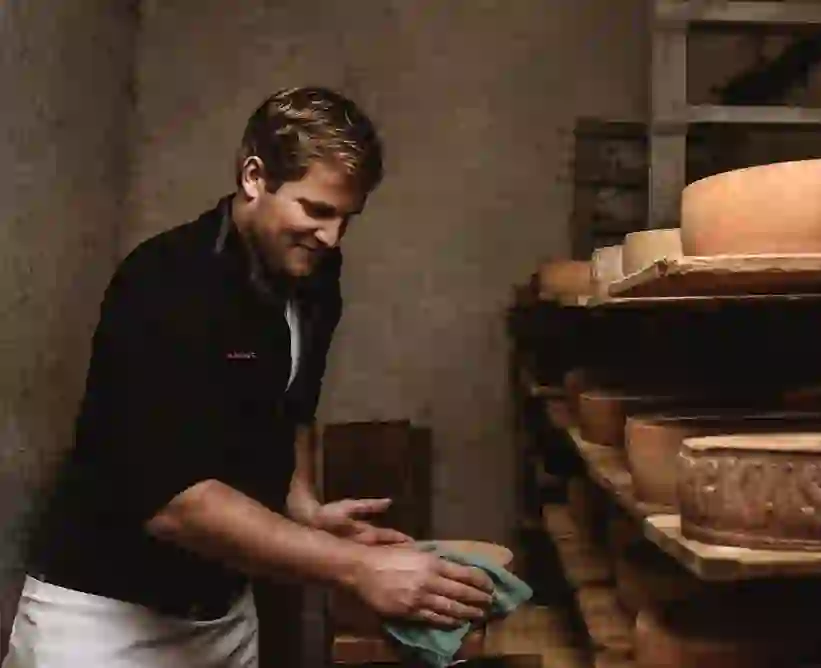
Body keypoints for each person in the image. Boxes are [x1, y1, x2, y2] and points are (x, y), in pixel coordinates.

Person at [2, 87, 494, 668]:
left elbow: (292, 409)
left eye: (346, 218)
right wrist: (358, 568)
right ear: (255, 177)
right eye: (316, 211)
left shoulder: (316, 274)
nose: (333, 237)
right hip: (103, 621)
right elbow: (175, 501)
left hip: (225, 614)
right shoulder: (163, 283)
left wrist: (303, 507)